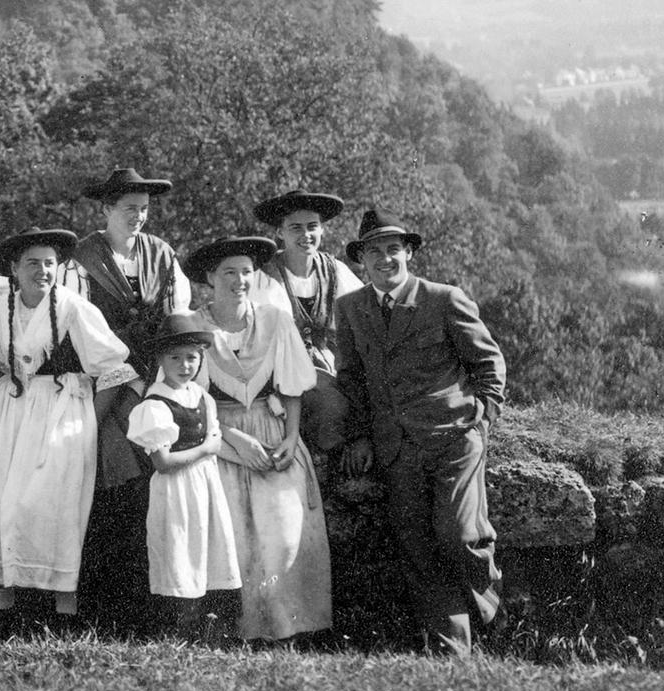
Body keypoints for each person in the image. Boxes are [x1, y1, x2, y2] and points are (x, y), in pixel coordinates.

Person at [334, 208, 506, 656]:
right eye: (374, 252)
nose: (385, 260)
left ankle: (493, 609)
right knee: (418, 550)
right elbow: (351, 378)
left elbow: (489, 366)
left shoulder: (443, 298)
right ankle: (453, 653)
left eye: (394, 250)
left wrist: (481, 422)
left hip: (454, 439)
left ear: (409, 253)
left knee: (460, 535)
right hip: (396, 449)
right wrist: (360, 436)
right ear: (361, 261)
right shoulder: (350, 308)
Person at [0, 228, 138, 632]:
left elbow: (114, 371)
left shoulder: (73, 307)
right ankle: (2, 606)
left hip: (62, 405)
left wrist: (87, 422)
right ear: (14, 270)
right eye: (32, 263)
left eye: (50, 263)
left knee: (44, 502)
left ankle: (62, 611)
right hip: (10, 405)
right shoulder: (0, 307)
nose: (43, 271)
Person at [183, 236, 331, 642]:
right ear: (210, 278)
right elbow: (189, 401)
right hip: (216, 437)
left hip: (272, 433)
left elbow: (292, 387)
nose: (239, 280)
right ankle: (235, 634)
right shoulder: (192, 325)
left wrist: (291, 436)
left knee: (282, 533)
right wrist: (234, 440)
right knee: (231, 538)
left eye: (246, 271)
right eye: (228, 272)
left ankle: (287, 631)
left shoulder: (275, 320)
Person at [62, 167, 191, 633]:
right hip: (104, 381)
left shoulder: (162, 255)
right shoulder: (81, 260)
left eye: (143, 208)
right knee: (114, 477)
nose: (137, 216)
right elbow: (75, 330)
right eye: (127, 208)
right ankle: (108, 607)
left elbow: (176, 320)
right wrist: (122, 380)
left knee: (159, 485)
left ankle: (158, 607)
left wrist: (155, 379)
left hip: (156, 378)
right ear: (106, 210)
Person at [127, 313, 240, 640]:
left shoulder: (202, 398)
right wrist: (204, 450)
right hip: (176, 489)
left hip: (205, 485)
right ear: (161, 359)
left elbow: (216, 440)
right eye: (175, 358)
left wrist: (211, 448)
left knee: (206, 547)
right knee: (179, 551)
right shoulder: (156, 404)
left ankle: (207, 630)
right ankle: (176, 629)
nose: (184, 365)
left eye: (192, 357)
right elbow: (163, 461)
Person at [251, 189, 362, 457]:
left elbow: (362, 315)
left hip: (333, 366)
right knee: (329, 405)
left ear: (322, 230)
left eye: (312, 227)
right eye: (295, 228)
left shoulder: (336, 271)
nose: (306, 236)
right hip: (281, 371)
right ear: (280, 232)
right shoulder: (266, 275)